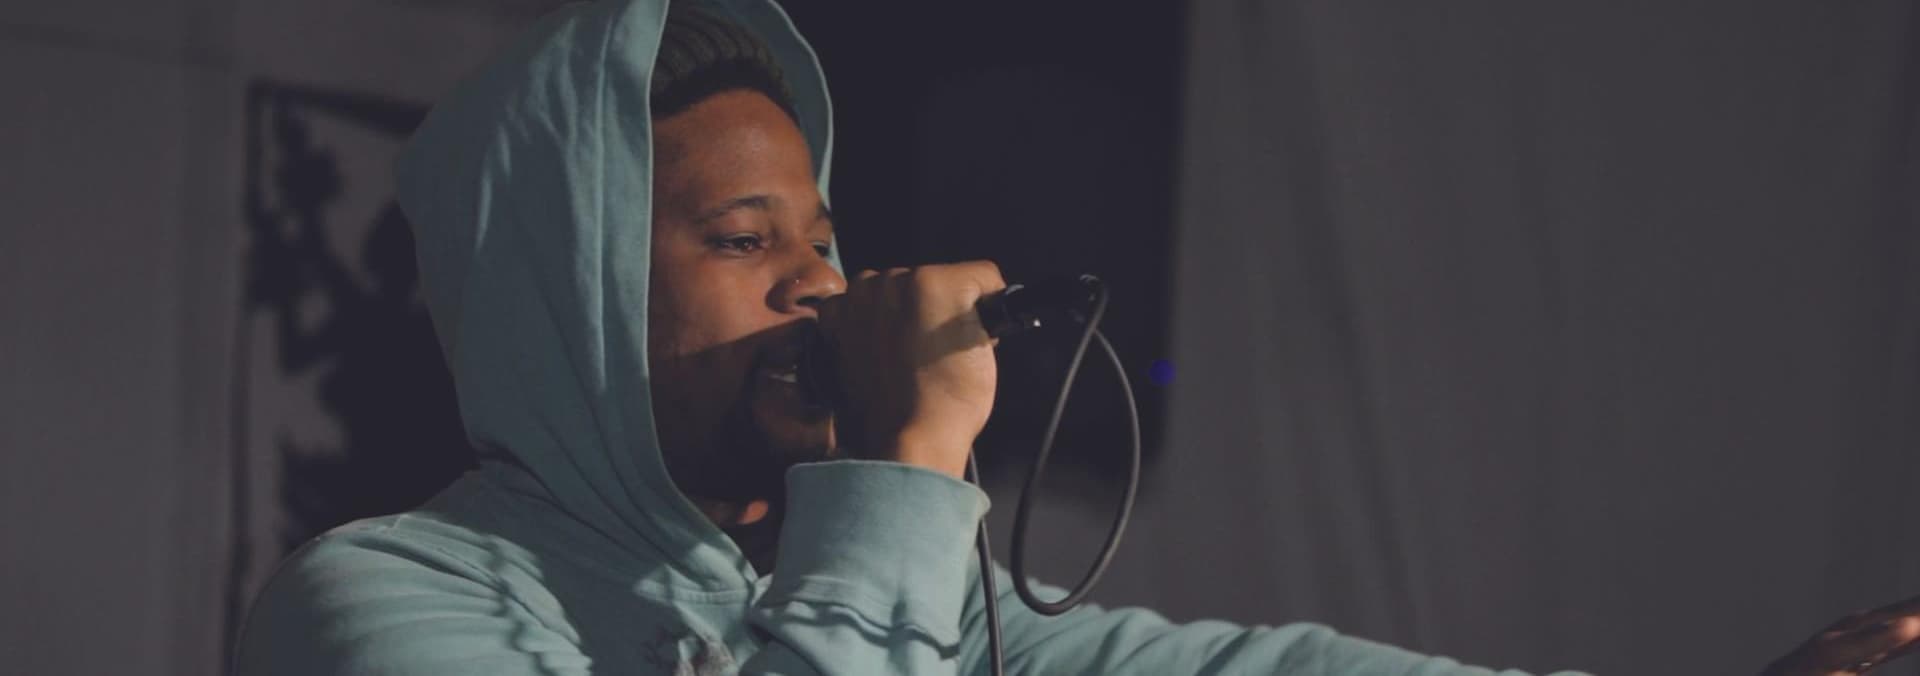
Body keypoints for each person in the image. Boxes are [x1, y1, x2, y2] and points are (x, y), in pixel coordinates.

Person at [233, 1, 1920, 674]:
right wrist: (904, 473)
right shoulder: (370, 604)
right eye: (745, 242)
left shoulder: (887, 605)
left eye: (825, 239)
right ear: (569, 296)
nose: (818, 285)